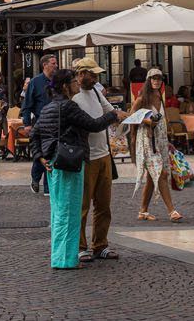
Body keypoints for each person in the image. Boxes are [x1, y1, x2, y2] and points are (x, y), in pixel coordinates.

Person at [30, 68, 124, 269]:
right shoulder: (68, 106)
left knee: (59, 211)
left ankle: (60, 256)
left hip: (55, 164)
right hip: (70, 163)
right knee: (70, 212)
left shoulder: (49, 107)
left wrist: (40, 157)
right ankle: (67, 259)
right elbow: (93, 124)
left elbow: (34, 134)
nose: (77, 84)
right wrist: (113, 114)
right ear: (65, 86)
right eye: (73, 81)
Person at [71, 57, 120, 262]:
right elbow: (93, 123)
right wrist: (113, 116)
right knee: (82, 205)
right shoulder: (74, 98)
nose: (96, 78)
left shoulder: (96, 92)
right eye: (92, 75)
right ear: (81, 75)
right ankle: (81, 246)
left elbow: (112, 112)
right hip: (87, 157)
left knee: (103, 204)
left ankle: (100, 244)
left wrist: (137, 116)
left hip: (104, 155)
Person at [131, 68, 182, 223]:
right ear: (148, 80)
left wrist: (167, 141)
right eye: (154, 78)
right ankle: (172, 211)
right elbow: (130, 117)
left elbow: (162, 120)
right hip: (147, 140)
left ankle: (143, 211)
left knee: (153, 177)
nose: (156, 81)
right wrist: (146, 121)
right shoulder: (142, 98)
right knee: (161, 174)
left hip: (159, 140)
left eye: (159, 79)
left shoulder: (160, 95)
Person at [22, 55, 58, 194]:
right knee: (42, 153)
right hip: (40, 123)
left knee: (51, 153)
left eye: (56, 63)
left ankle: (48, 187)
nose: (56, 66)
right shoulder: (35, 82)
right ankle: (35, 178)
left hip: (56, 124)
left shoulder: (57, 81)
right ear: (45, 65)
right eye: (53, 63)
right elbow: (27, 105)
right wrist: (27, 124)